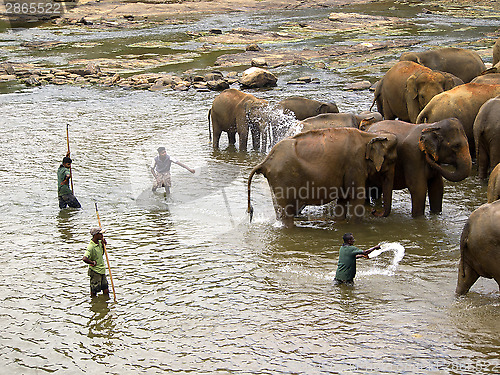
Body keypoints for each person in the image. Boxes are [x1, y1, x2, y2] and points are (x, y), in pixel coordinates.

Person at [82, 227, 109, 298]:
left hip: (102, 270)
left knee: (105, 289)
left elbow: (101, 253)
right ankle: (93, 303)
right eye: (100, 234)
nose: (102, 236)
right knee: (94, 290)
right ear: (95, 235)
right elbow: (84, 258)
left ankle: (104, 302)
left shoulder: (100, 242)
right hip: (95, 271)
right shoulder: (91, 246)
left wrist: (104, 245)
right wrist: (92, 262)